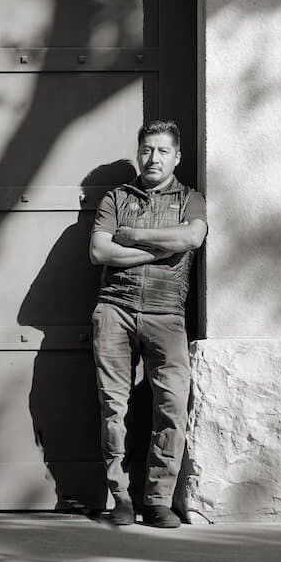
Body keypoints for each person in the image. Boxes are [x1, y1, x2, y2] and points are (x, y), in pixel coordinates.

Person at [88, 119, 207, 528]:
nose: (152, 157)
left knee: (172, 405)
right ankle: (120, 498)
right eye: (146, 150)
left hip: (167, 313)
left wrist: (134, 236)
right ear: (139, 153)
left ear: (176, 156)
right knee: (112, 407)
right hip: (114, 309)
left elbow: (191, 239)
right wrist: (159, 251)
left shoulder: (191, 199)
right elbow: (100, 252)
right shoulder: (116, 197)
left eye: (161, 151)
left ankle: (158, 500)